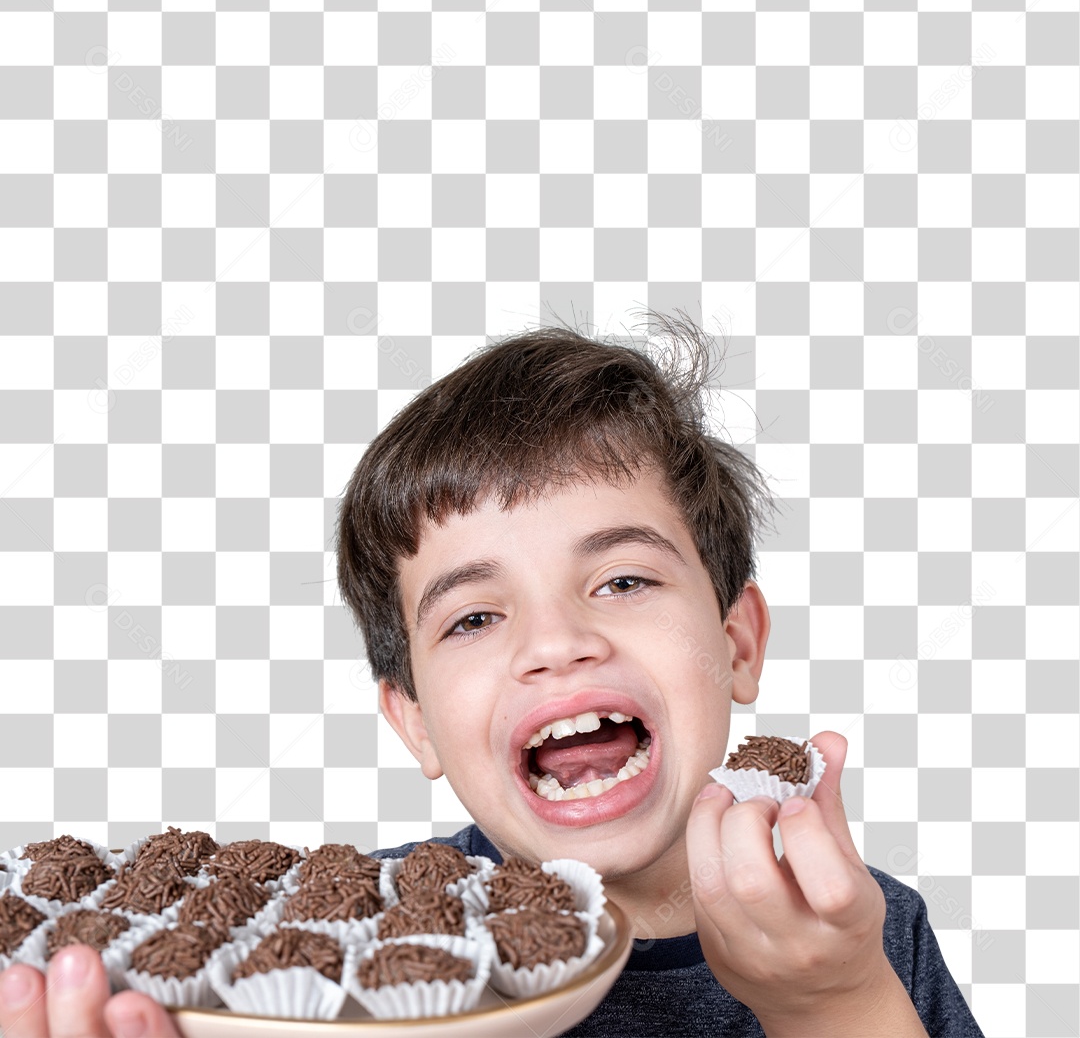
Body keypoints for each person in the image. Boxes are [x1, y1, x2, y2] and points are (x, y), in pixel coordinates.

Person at [0, 313, 984, 1037]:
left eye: (624, 578)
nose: (555, 642)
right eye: (474, 616)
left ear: (737, 644)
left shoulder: (867, 933)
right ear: (415, 719)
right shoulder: (341, 951)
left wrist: (835, 1002)